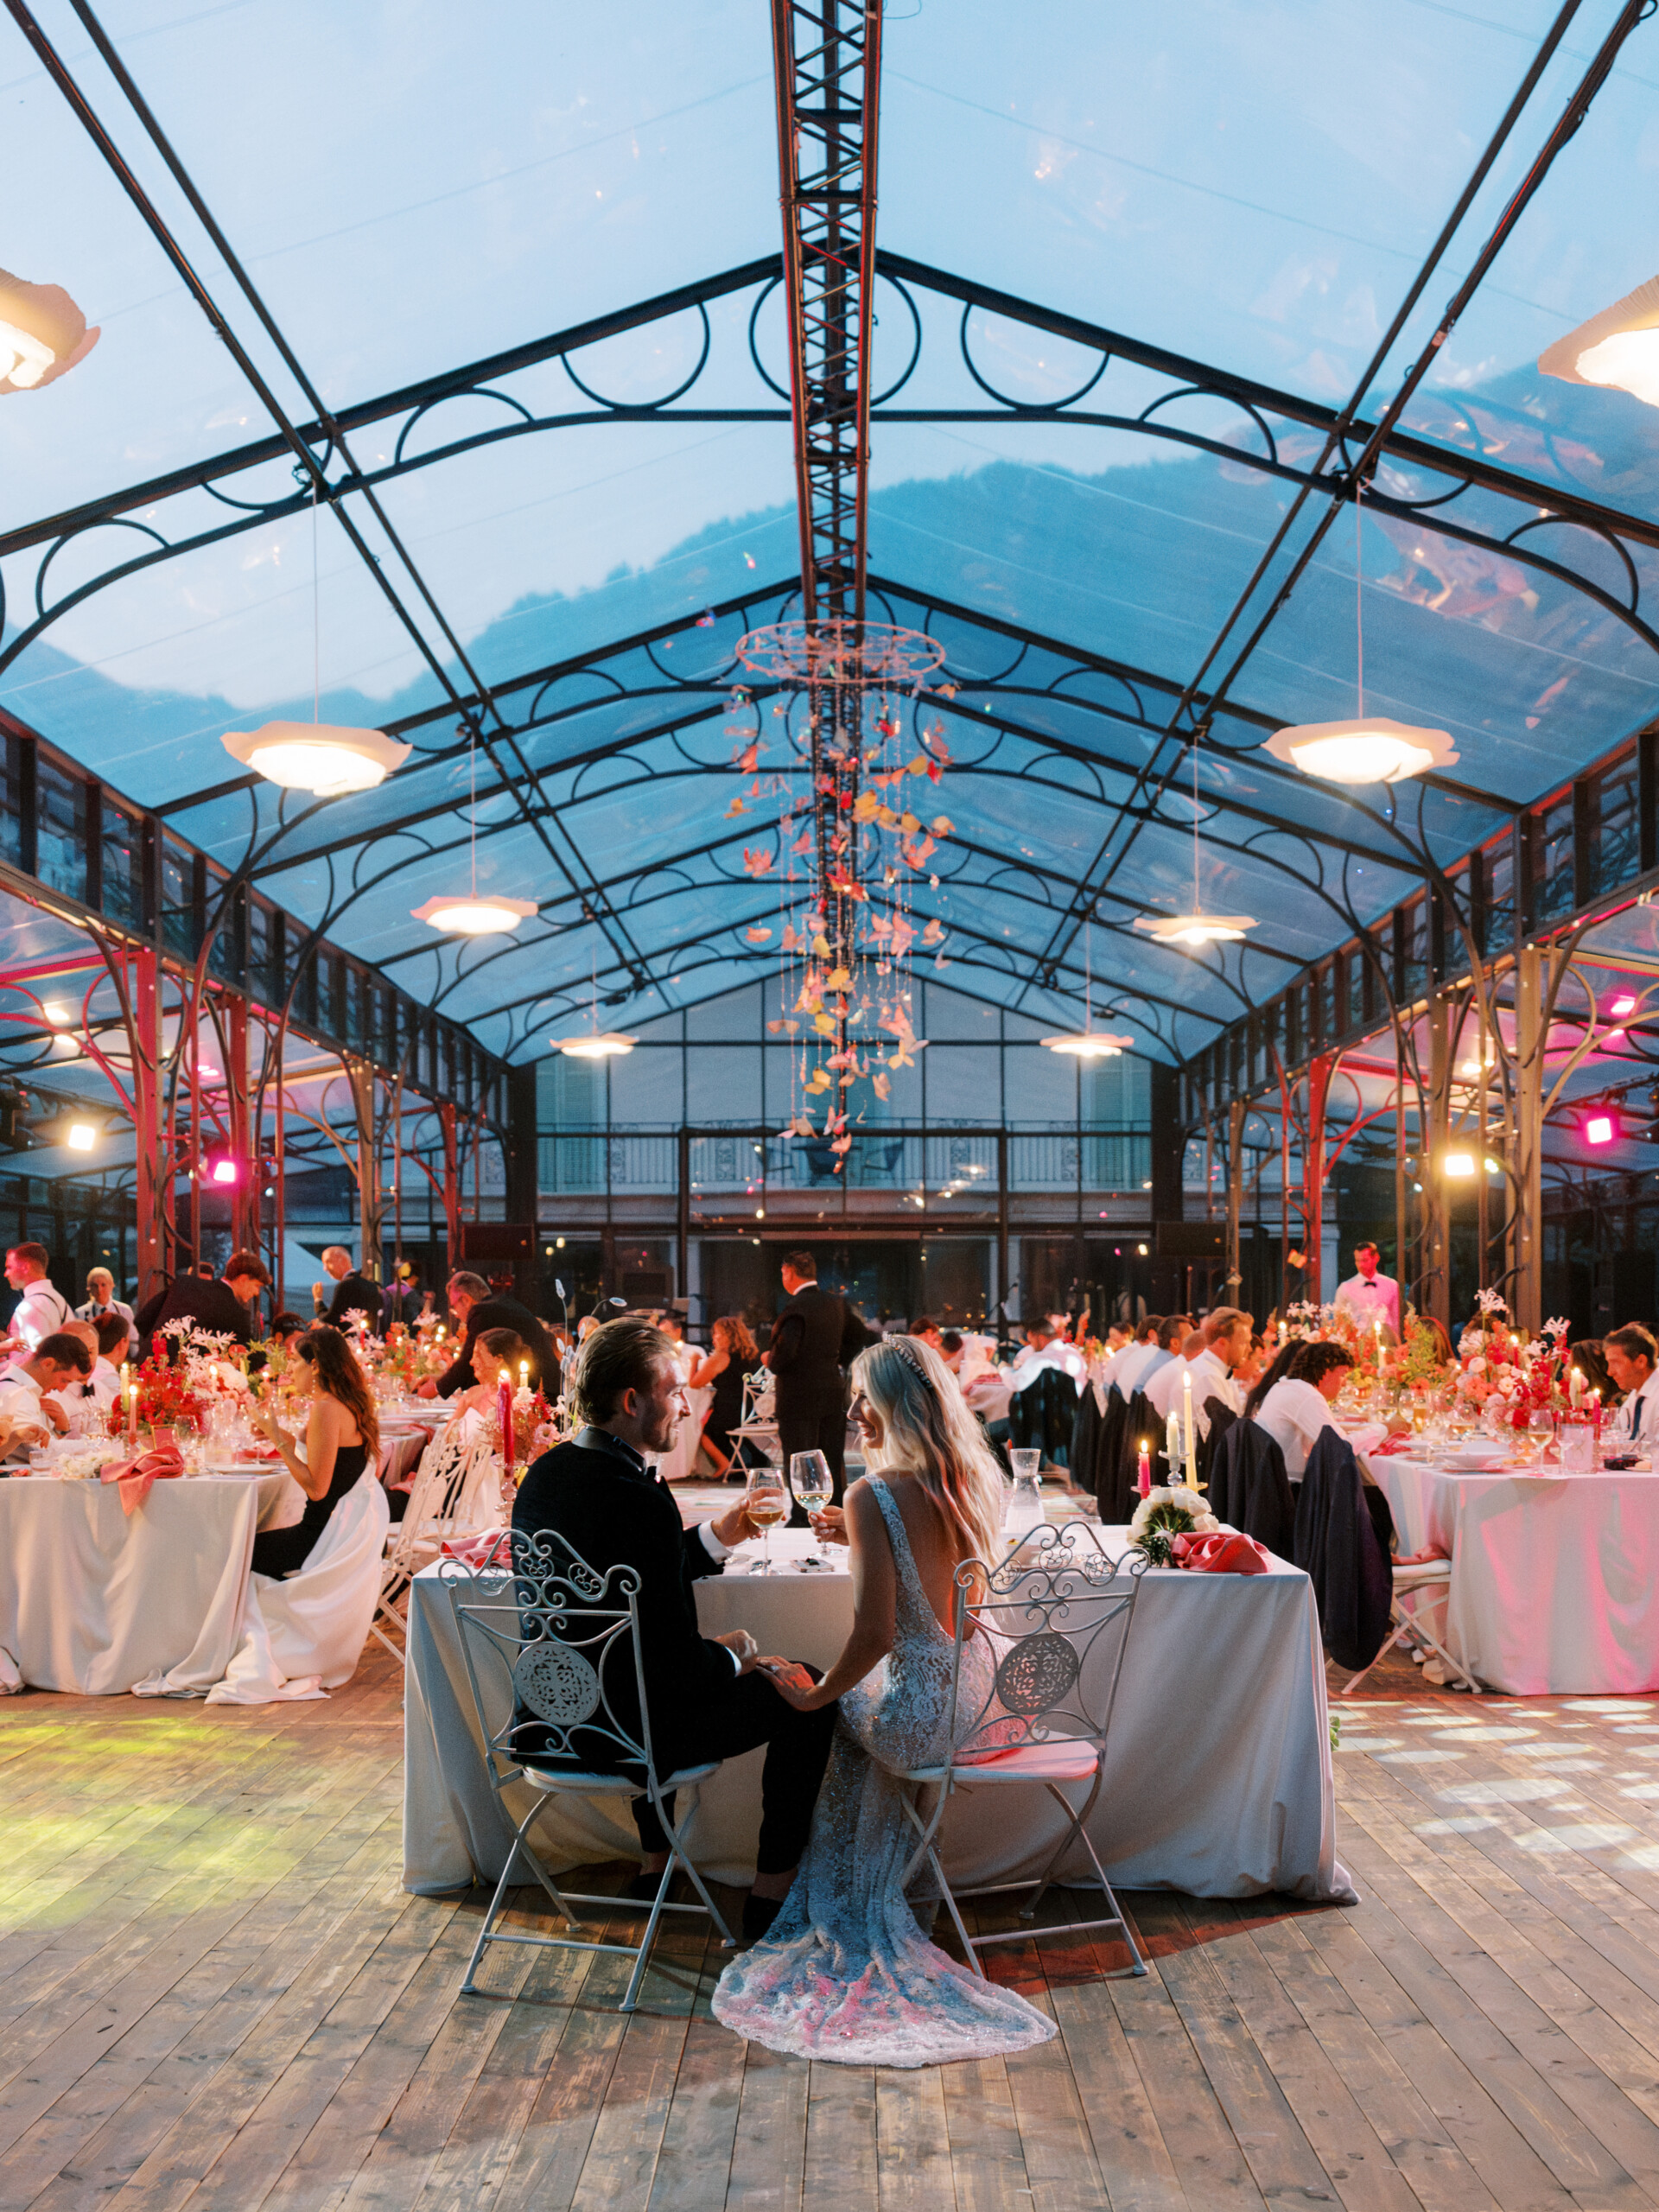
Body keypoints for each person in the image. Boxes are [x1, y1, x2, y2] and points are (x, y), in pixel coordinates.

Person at [711, 1333, 1058, 2067]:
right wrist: (860, 1538)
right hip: (982, 1701)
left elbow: (872, 1634)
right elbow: (937, 1579)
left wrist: (816, 1696)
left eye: (864, 1399)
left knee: (839, 1712)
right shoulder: (969, 1478)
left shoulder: (873, 1493)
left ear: (897, 1405)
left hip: (920, 1721)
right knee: (862, 1704)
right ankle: (905, 1888)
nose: (853, 1414)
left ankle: (848, 1897)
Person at [512, 1318, 838, 1938]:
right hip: (633, 1734)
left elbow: (621, 1580)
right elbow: (671, 1669)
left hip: (554, 1723)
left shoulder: (546, 1475)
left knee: (630, 1669)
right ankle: (772, 1898)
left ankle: (654, 1863)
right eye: (674, 1391)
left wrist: (719, 1535)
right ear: (632, 1401)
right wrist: (737, 1656)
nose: (686, 1407)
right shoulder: (638, 1494)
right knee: (809, 1692)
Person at [247, 1327, 378, 1576]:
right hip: (341, 1534)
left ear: (315, 1366)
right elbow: (324, 1456)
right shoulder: (344, 1403)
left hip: (320, 1540)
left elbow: (317, 1490)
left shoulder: (326, 1408)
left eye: (294, 1360)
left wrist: (279, 1442)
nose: (288, 1369)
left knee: (234, 1552)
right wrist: (273, 1431)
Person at [763, 1250, 877, 1506]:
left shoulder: (795, 1308)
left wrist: (769, 1358)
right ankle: (835, 1510)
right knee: (831, 1456)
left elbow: (783, 1356)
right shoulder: (836, 1304)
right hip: (831, 1391)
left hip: (797, 1395)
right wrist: (837, 1361)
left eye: (783, 1273)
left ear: (789, 1272)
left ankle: (803, 1516)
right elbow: (859, 1335)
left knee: (799, 1456)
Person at [418, 1270, 558, 1400]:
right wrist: (440, 1378)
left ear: (465, 1300)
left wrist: (436, 1388)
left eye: (454, 1306)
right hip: (547, 1386)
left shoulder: (482, 1312)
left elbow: (468, 1362)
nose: (456, 1314)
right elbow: (479, 1368)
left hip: (539, 1392)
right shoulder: (500, 1306)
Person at [1246, 1341, 1355, 1479]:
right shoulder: (1306, 1394)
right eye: (1343, 1375)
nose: (1344, 1383)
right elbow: (1340, 1448)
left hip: (1267, 1479)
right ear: (1327, 1372)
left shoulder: (1284, 1386)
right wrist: (1378, 1431)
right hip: (1285, 1485)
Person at [135, 1249, 270, 1349]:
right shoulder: (236, 1313)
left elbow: (142, 1319)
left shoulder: (184, 1284)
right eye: (257, 1286)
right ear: (243, 1279)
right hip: (182, 1374)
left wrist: (157, 1346)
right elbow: (252, 1355)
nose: (256, 1292)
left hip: (148, 1365)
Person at [688, 1314, 760, 1478]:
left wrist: (694, 1361)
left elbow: (694, 1383)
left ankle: (724, 1465)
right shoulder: (752, 1355)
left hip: (730, 1412)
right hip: (753, 1412)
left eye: (717, 1333)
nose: (714, 1337)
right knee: (721, 1429)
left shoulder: (721, 1357)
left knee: (702, 1432)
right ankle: (754, 1460)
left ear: (728, 1335)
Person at [0, 1329, 92, 1446]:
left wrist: (61, 1430)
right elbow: (41, 1450)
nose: (61, 1389)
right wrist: (96, 1447)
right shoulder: (14, 1393)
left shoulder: (28, 1393)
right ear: (47, 1364)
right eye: (64, 1380)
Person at [1182, 1306, 1253, 1433]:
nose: (1249, 1349)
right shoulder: (1207, 1375)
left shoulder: (1217, 1371)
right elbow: (1228, 1431)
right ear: (1222, 1343)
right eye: (1243, 1343)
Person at [4, 1243, 71, 1354]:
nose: (6, 1274)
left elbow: (35, 1356)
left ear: (25, 1267)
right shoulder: (59, 1300)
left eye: (9, 1267)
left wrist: (6, 1364)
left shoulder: (31, 1305)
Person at [1604, 1325, 1659, 1450]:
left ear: (1641, 1361)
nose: (1610, 1372)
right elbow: (1616, 1435)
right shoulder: (1636, 1395)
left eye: (1616, 1363)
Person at [1333, 1242, 1400, 1337]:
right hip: (1357, 1340)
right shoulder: (1345, 1287)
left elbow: (1395, 1319)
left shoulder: (1391, 1285)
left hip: (1384, 1339)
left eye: (1365, 1260)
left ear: (1376, 1258)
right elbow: (1339, 1321)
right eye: (1357, 1261)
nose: (1360, 1265)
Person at [312, 1247, 381, 1332]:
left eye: (328, 1262)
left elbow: (331, 1320)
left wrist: (318, 1301)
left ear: (342, 1261)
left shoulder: (346, 1285)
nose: (325, 1268)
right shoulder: (370, 1285)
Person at [75, 1266, 136, 1357]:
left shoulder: (124, 1310)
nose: (99, 1290)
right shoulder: (81, 1313)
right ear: (89, 1288)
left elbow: (133, 1340)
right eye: (95, 1285)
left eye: (103, 1285)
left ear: (112, 1286)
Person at [379, 1261, 423, 1333]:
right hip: (405, 1335)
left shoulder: (386, 1291)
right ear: (413, 1277)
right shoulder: (411, 1293)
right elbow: (414, 1320)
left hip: (387, 1333)